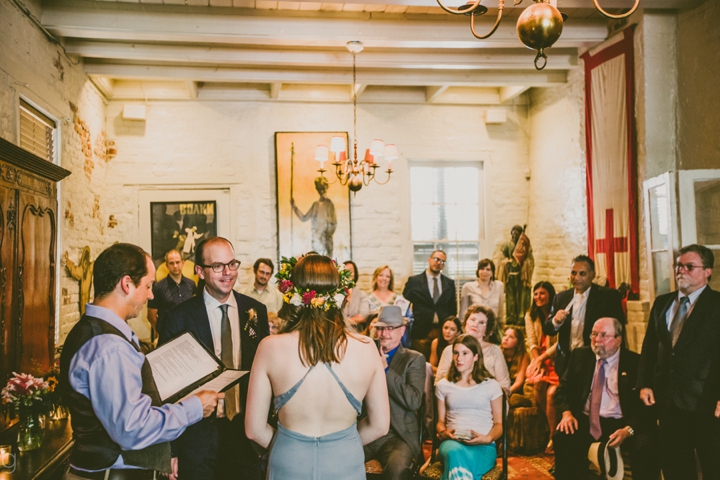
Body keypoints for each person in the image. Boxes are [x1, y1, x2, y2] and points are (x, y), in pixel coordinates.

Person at [60, 243, 219, 480]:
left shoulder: (87, 330)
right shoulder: (110, 347)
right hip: (109, 473)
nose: (151, 295)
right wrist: (194, 408)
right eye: (147, 286)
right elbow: (132, 429)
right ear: (126, 284)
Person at [245, 255, 390, 480]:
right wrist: (342, 443)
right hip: (345, 460)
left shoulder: (270, 347)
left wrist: (290, 444)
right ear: (342, 293)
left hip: (290, 461)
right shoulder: (367, 347)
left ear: (291, 292)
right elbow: (380, 426)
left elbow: (253, 429)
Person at [159, 237, 270, 480]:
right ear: (200, 271)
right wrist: (171, 450)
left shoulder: (255, 311)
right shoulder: (178, 318)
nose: (228, 272)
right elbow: (164, 389)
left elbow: (265, 374)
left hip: (244, 434)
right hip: (196, 438)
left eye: (232, 264)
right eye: (218, 266)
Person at [638, 244, 720, 480]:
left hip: (706, 404)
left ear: (708, 272)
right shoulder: (662, 303)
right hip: (668, 403)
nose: (681, 270)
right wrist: (644, 383)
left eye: (689, 266)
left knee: (714, 467)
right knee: (676, 469)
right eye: (678, 265)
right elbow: (649, 349)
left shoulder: (716, 305)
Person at [554, 317, 657, 480]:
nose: (597, 340)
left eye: (603, 335)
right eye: (594, 334)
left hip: (623, 422)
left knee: (646, 445)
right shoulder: (580, 356)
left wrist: (628, 430)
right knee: (563, 437)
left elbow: (646, 408)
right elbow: (562, 390)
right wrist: (566, 413)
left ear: (618, 340)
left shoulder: (635, 363)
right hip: (586, 420)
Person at [363, 305, 426, 480]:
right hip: (368, 430)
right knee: (340, 462)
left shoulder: (414, 359)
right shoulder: (366, 356)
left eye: (390, 328)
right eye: (380, 328)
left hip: (398, 435)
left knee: (397, 471)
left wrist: (386, 370)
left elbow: (414, 400)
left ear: (402, 330)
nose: (383, 334)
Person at [543, 255, 625, 377]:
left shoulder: (607, 297)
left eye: (582, 274)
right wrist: (555, 321)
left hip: (594, 360)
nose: (576, 278)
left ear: (592, 275)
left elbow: (619, 330)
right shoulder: (561, 297)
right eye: (573, 273)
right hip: (566, 361)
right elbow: (548, 329)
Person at [435, 335, 503, 480]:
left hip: (484, 447)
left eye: (465, 353)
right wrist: (443, 432)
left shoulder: (492, 385)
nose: (459, 358)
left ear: (476, 357)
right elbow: (440, 422)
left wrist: (487, 438)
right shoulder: (443, 385)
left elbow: (499, 425)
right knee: (454, 452)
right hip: (452, 444)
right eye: (456, 353)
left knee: (458, 463)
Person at [435, 305, 511, 392]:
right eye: (473, 320)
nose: (475, 324)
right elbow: (439, 383)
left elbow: (505, 386)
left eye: (481, 322)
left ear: (487, 330)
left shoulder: (495, 351)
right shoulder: (449, 350)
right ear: (465, 322)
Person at [523, 281, 559, 453]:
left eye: (542, 293)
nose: (538, 297)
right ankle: (546, 426)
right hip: (539, 358)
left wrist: (544, 360)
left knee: (552, 394)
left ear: (550, 295)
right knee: (537, 383)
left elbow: (560, 344)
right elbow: (531, 341)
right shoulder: (531, 315)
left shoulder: (558, 315)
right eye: (536, 294)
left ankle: (553, 437)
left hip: (557, 360)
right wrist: (538, 362)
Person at [403, 250, 457, 360]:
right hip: (421, 331)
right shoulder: (414, 281)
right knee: (419, 364)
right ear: (429, 260)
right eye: (436, 259)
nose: (438, 263)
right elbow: (404, 304)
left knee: (441, 363)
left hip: (442, 332)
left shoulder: (449, 283)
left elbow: (452, 309)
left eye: (442, 261)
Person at [147, 249, 196, 338]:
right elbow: (151, 315)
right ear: (167, 265)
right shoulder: (159, 287)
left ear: (183, 263)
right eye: (171, 263)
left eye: (177, 262)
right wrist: (160, 331)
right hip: (167, 335)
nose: (175, 266)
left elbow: (194, 309)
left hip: (188, 334)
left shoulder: (191, 284)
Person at [494, 225, 534, 326]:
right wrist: (507, 262)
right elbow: (500, 259)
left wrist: (524, 264)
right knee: (511, 298)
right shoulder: (507, 245)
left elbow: (530, 260)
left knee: (522, 298)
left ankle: (521, 318)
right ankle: (510, 317)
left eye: (517, 234)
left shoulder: (525, 246)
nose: (514, 236)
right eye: (513, 234)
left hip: (522, 277)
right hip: (510, 276)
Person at [291, 176, 337, 257]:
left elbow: (333, 223)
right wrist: (294, 207)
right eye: (319, 188)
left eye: (322, 187)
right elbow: (304, 218)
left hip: (325, 240)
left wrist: (326, 235)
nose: (321, 190)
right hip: (316, 240)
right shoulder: (315, 205)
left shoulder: (329, 204)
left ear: (326, 188)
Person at [460, 259, 505, 323]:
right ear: (478, 271)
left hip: (493, 325)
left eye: (488, 269)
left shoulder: (499, 286)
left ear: (492, 272)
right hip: (475, 325)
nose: (484, 272)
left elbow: (500, 312)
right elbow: (462, 315)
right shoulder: (467, 287)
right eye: (482, 269)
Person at [501, 327, 530, 405]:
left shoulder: (524, 356)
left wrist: (505, 393)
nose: (506, 339)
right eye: (505, 335)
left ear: (518, 343)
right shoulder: (498, 354)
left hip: (513, 391)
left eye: (511, 337)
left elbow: (519, 383)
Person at [343, 260, 370, 328]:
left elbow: (363, 316)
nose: (348, 273)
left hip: (357, 332)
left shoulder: (362, 295)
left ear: (355, 275)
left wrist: (344, 323)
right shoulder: (336, 294)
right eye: (345, 271)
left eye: (351, 270)